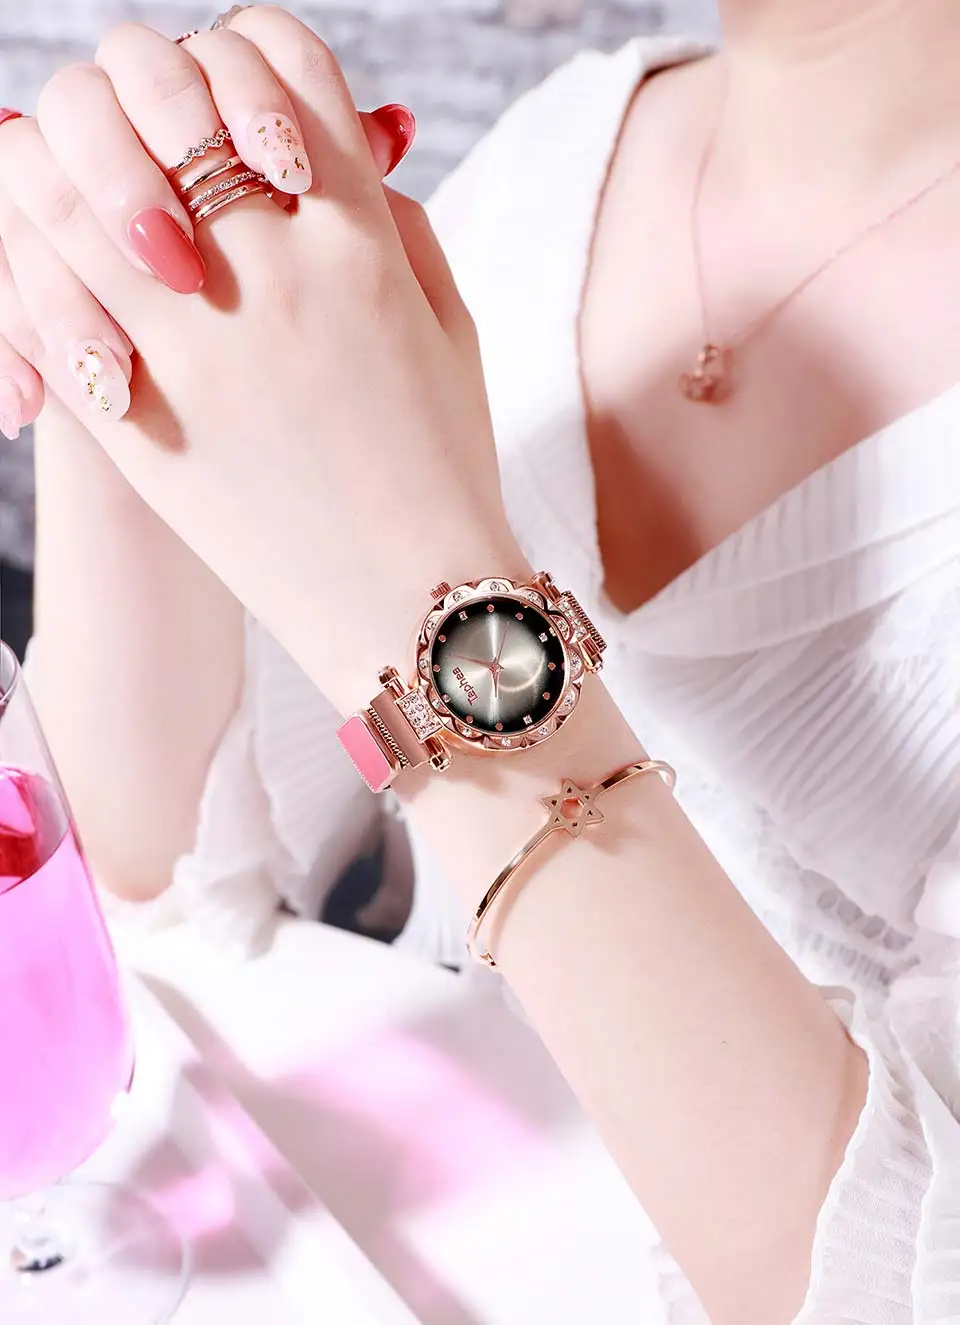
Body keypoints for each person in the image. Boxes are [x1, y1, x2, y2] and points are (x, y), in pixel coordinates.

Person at [0, 3, 957, 1321]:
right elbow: (175, 874)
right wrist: (122, 336)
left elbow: (899, 1281)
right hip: (343, 1218)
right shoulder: (572, 149)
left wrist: (423, 597)